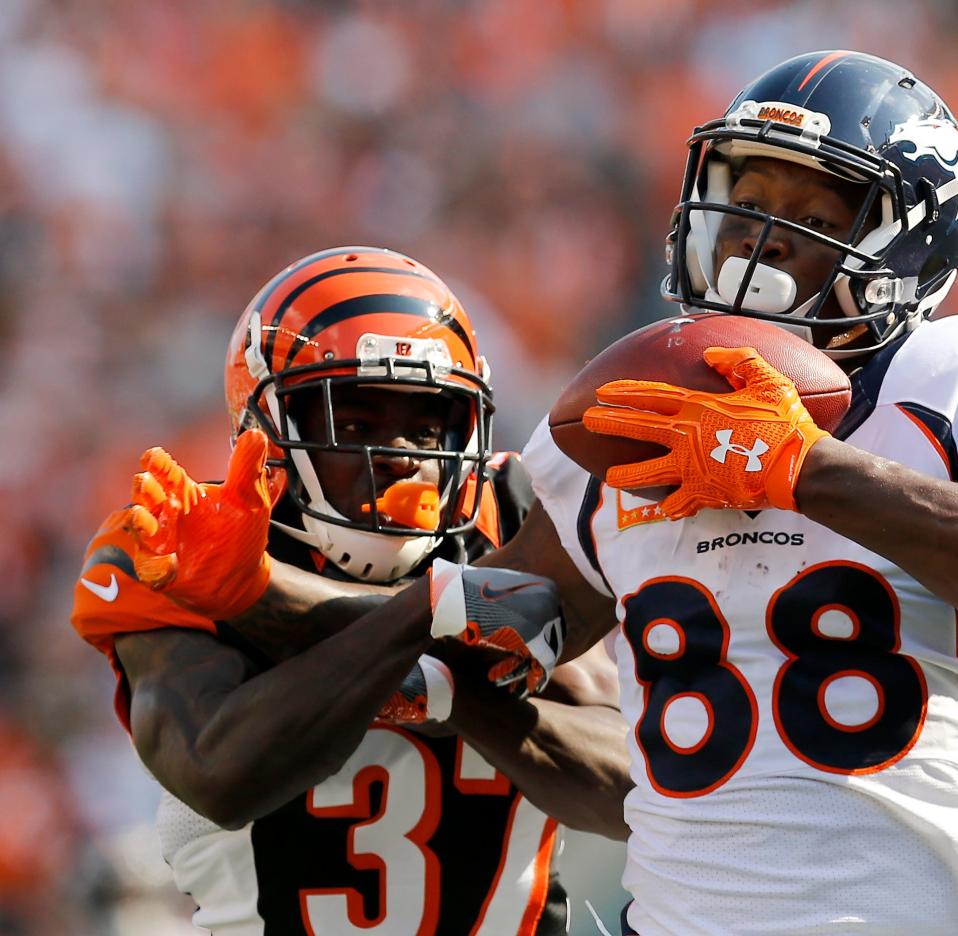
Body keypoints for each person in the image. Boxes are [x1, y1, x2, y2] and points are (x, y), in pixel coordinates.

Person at [501, 51, 958, 934]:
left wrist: (805, 469)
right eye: (748, 201)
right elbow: (499, 637)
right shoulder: (632, 404)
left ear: (902, 249)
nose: (758, 236)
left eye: (808, 214)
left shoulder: (954, 378)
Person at [71, 247, 631, 935]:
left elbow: (625, 791)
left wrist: (439, 689)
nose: (401, 454)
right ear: (269, 432)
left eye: (428, 425)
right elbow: (221, 774)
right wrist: (433, 616)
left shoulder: (509, 517)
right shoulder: (179, 539)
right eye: (355, 424)